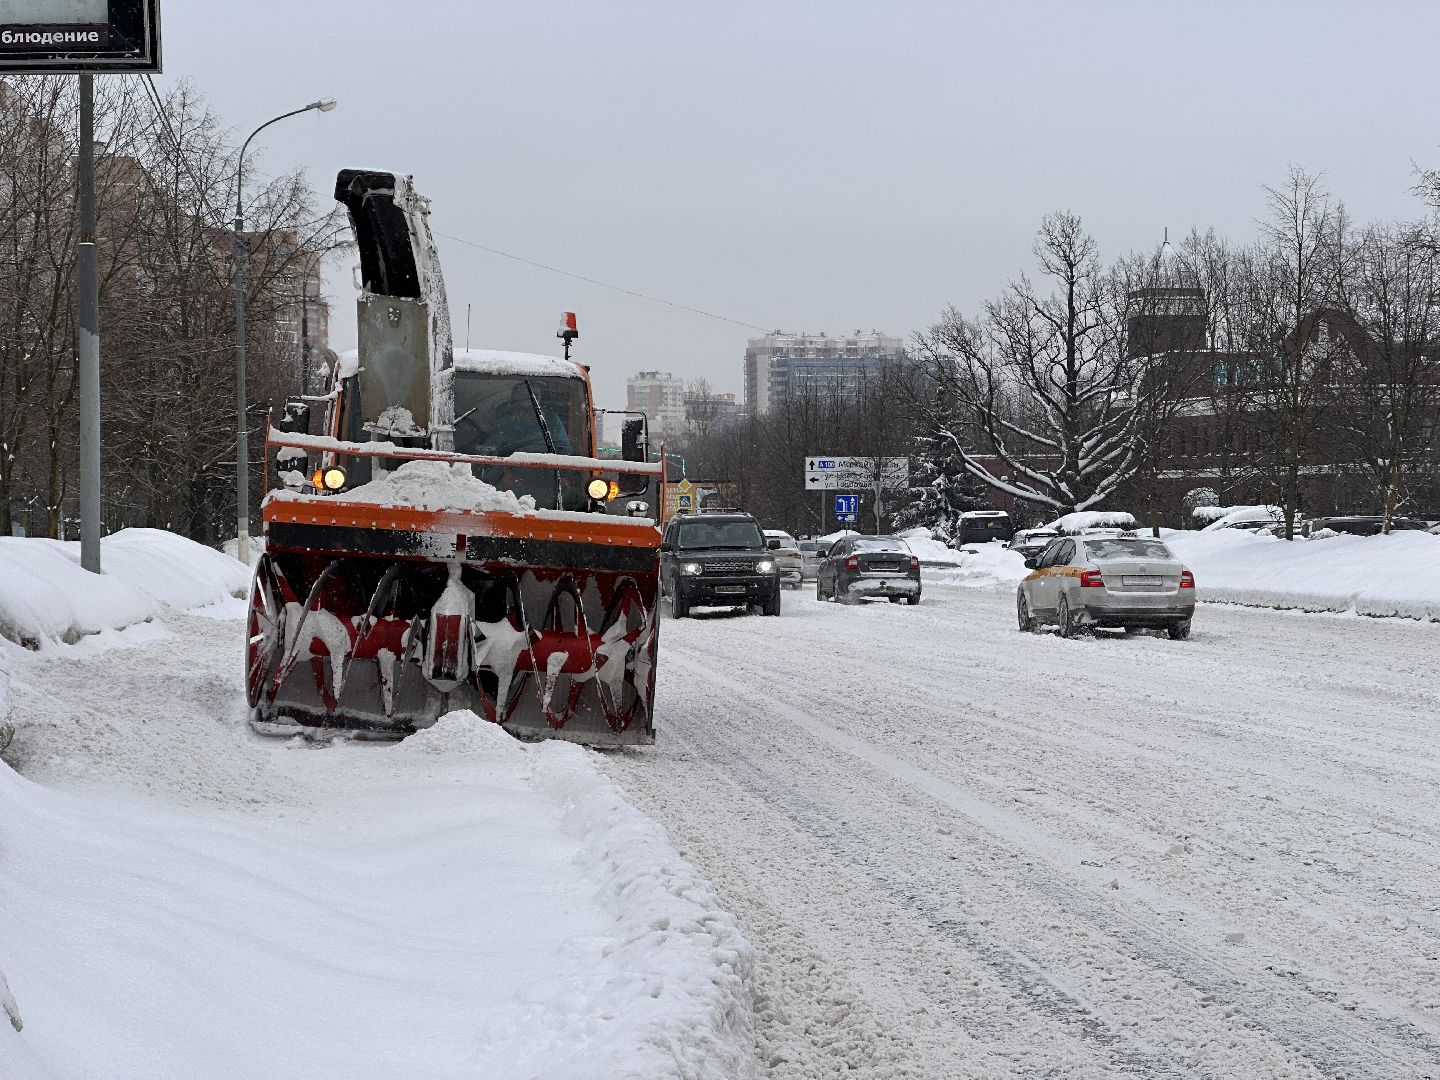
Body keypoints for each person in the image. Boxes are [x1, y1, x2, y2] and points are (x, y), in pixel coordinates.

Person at [488, 382, 573, 455]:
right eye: (528, 396)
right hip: (505, 469)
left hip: (545, 470)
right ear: (515, 401)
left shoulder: (551, 420)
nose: (534, 400)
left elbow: (565, 451)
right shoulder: (504, 423)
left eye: (537, 395)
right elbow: (489, 450)